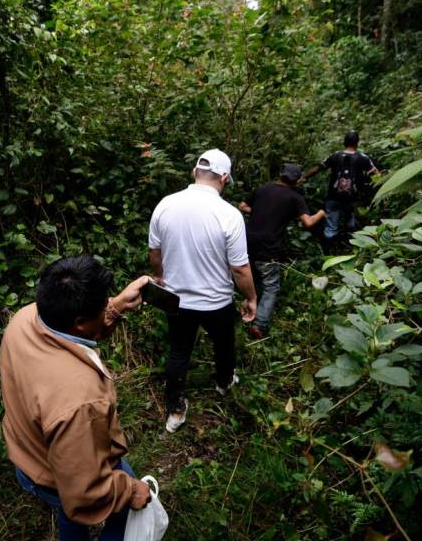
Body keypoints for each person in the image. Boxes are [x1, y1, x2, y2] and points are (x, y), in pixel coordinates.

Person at [0, 255, 153, 541]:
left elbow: (77, 329)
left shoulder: (24, 319)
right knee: (127, 515)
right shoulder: (80, 400)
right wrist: (134, 493)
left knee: (68, 507)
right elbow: (83, 492)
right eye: (102, 307)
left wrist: (117, 306)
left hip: (30, 454)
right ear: (81, 321)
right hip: (55, 478)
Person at [148, 149, 257, 433]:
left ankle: (174, 411)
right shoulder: (228, 214)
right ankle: (223, 383)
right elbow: (240, 269)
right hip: (216, 302)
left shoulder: (165, 205)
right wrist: (251, 298)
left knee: (179, 352)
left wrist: (160, 277)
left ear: (195, 172)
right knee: (224, 344)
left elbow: (154, 252)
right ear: (223, 177)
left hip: (177, 298)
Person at [239, 163, 326, 339]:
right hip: (268, 246)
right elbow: (308, 222)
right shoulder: (294, 196)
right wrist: (322, 213)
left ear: (281, 175)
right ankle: (260, 325)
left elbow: (242, 206)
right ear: (297, 180)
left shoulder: (263, 189)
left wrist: (263, 212)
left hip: (247, 243)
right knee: (271, 285)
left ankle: (247, 312)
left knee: (256, 280)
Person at [305, 130, 379, 249]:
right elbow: (376, 175)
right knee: (351, 224)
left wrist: (303, 177)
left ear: (344, 142)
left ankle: (328, 254)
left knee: (331, 227)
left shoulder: (335, 155)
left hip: (333, 196)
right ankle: (352, 250)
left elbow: (318, 168)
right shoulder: (363, 158)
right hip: (352, 198)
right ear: (357, 143)